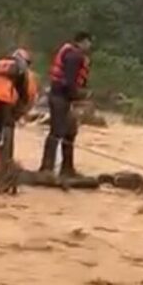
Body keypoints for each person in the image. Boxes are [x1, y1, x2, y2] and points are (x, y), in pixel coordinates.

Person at [40, 32, 92, 178]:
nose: (89, 46)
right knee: (57, 132)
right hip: (60, 98)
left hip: (63, 98)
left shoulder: (72, 54)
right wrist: (79, 95)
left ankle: (67, 168)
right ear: (82, 42)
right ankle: (47, 168)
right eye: (88, 42)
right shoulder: (74, 57)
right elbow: (69, 81)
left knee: (70, 132)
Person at [0, 47, 38, 162]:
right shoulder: (20, 66)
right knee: (8, 127)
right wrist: (20, 108)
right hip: (6, 97)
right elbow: (24, 89)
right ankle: (6, 159)